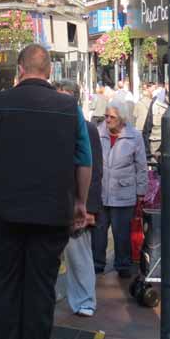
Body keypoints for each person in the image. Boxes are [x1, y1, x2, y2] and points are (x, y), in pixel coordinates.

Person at [0, 45, 91, 339]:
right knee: (41, 289)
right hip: (52, 213)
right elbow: (83, 161)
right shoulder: (70, 107)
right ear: (49, 71)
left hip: (3, 212)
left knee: (4, 286)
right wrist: (80, 202)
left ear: (20, 70)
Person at [56, 79, 102, 317]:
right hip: (56, 201)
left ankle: (85, 300)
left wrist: (90, 208)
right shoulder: (53, 127)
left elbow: (95, 170)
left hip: (77, 204)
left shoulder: (88, 128)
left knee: (79, 255)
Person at [93, 97, 147, 278]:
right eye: (106, 116)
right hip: (101, 192)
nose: (107, 120)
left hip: (124, 193)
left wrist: (141, 192)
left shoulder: (134, 136)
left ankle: (123, 265)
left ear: (122, 118)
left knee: (121, 232)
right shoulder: (98, 132)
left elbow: (141, 166)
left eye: (112, 117)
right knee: (99, 232)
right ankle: (97, 263)